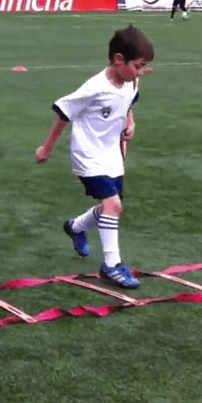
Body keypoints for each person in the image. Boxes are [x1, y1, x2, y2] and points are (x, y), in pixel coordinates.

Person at [35, 25, 155, 289]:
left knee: (110, 207)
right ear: (118, 60)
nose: (139, 72)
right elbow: (64, 113)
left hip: (112, 154)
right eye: (137, 66)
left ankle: (76, 227)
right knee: (113, 205)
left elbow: (129, 101)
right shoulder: (94, 88)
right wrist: (46, 147)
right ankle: (111, 265)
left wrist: (130, 122)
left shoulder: (131, 81)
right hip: (88, 155)